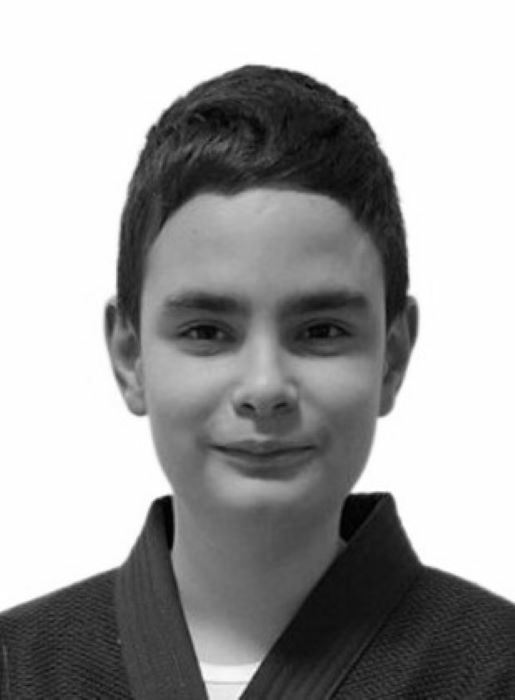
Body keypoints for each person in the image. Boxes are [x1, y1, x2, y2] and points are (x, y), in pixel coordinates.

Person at [1, 64, 514, 699]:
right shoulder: (19, 670)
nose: (265, 387)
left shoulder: (494, 670)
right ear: (130, 357)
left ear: (393, 356)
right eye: (206, 332)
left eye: (321, 331)